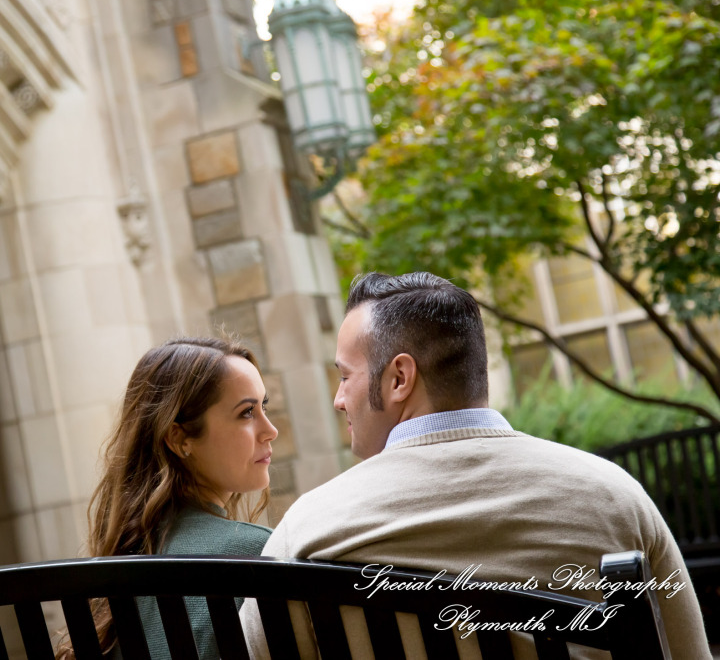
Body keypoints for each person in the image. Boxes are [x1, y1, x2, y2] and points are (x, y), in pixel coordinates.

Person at [240, 271, 710, 659]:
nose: (339, 399)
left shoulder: (308, 528)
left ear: (399, 378)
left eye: (345, 376)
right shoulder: (616, 499)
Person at [56, 336, 278, 659]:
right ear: (179, 438)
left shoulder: (116, 574)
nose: (270, 429)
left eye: (264, 407)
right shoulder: (255, 554)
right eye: (246, 413)